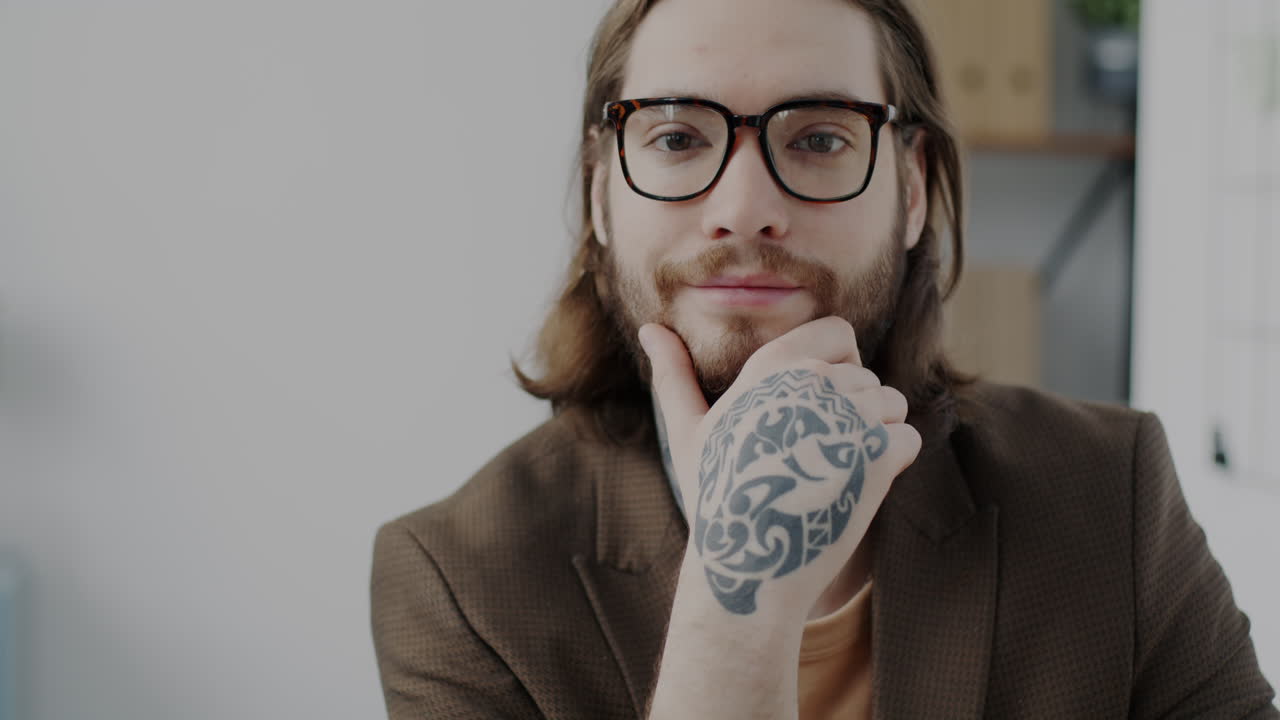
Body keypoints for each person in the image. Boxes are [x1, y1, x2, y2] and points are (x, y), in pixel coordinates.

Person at [369, 0, 1279, 717]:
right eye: (679, 138)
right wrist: (737, 618)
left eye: (818, 137)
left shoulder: (1110, 494)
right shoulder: (460, 581)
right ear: (601, 194)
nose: (744, 205)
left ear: (913, 190)